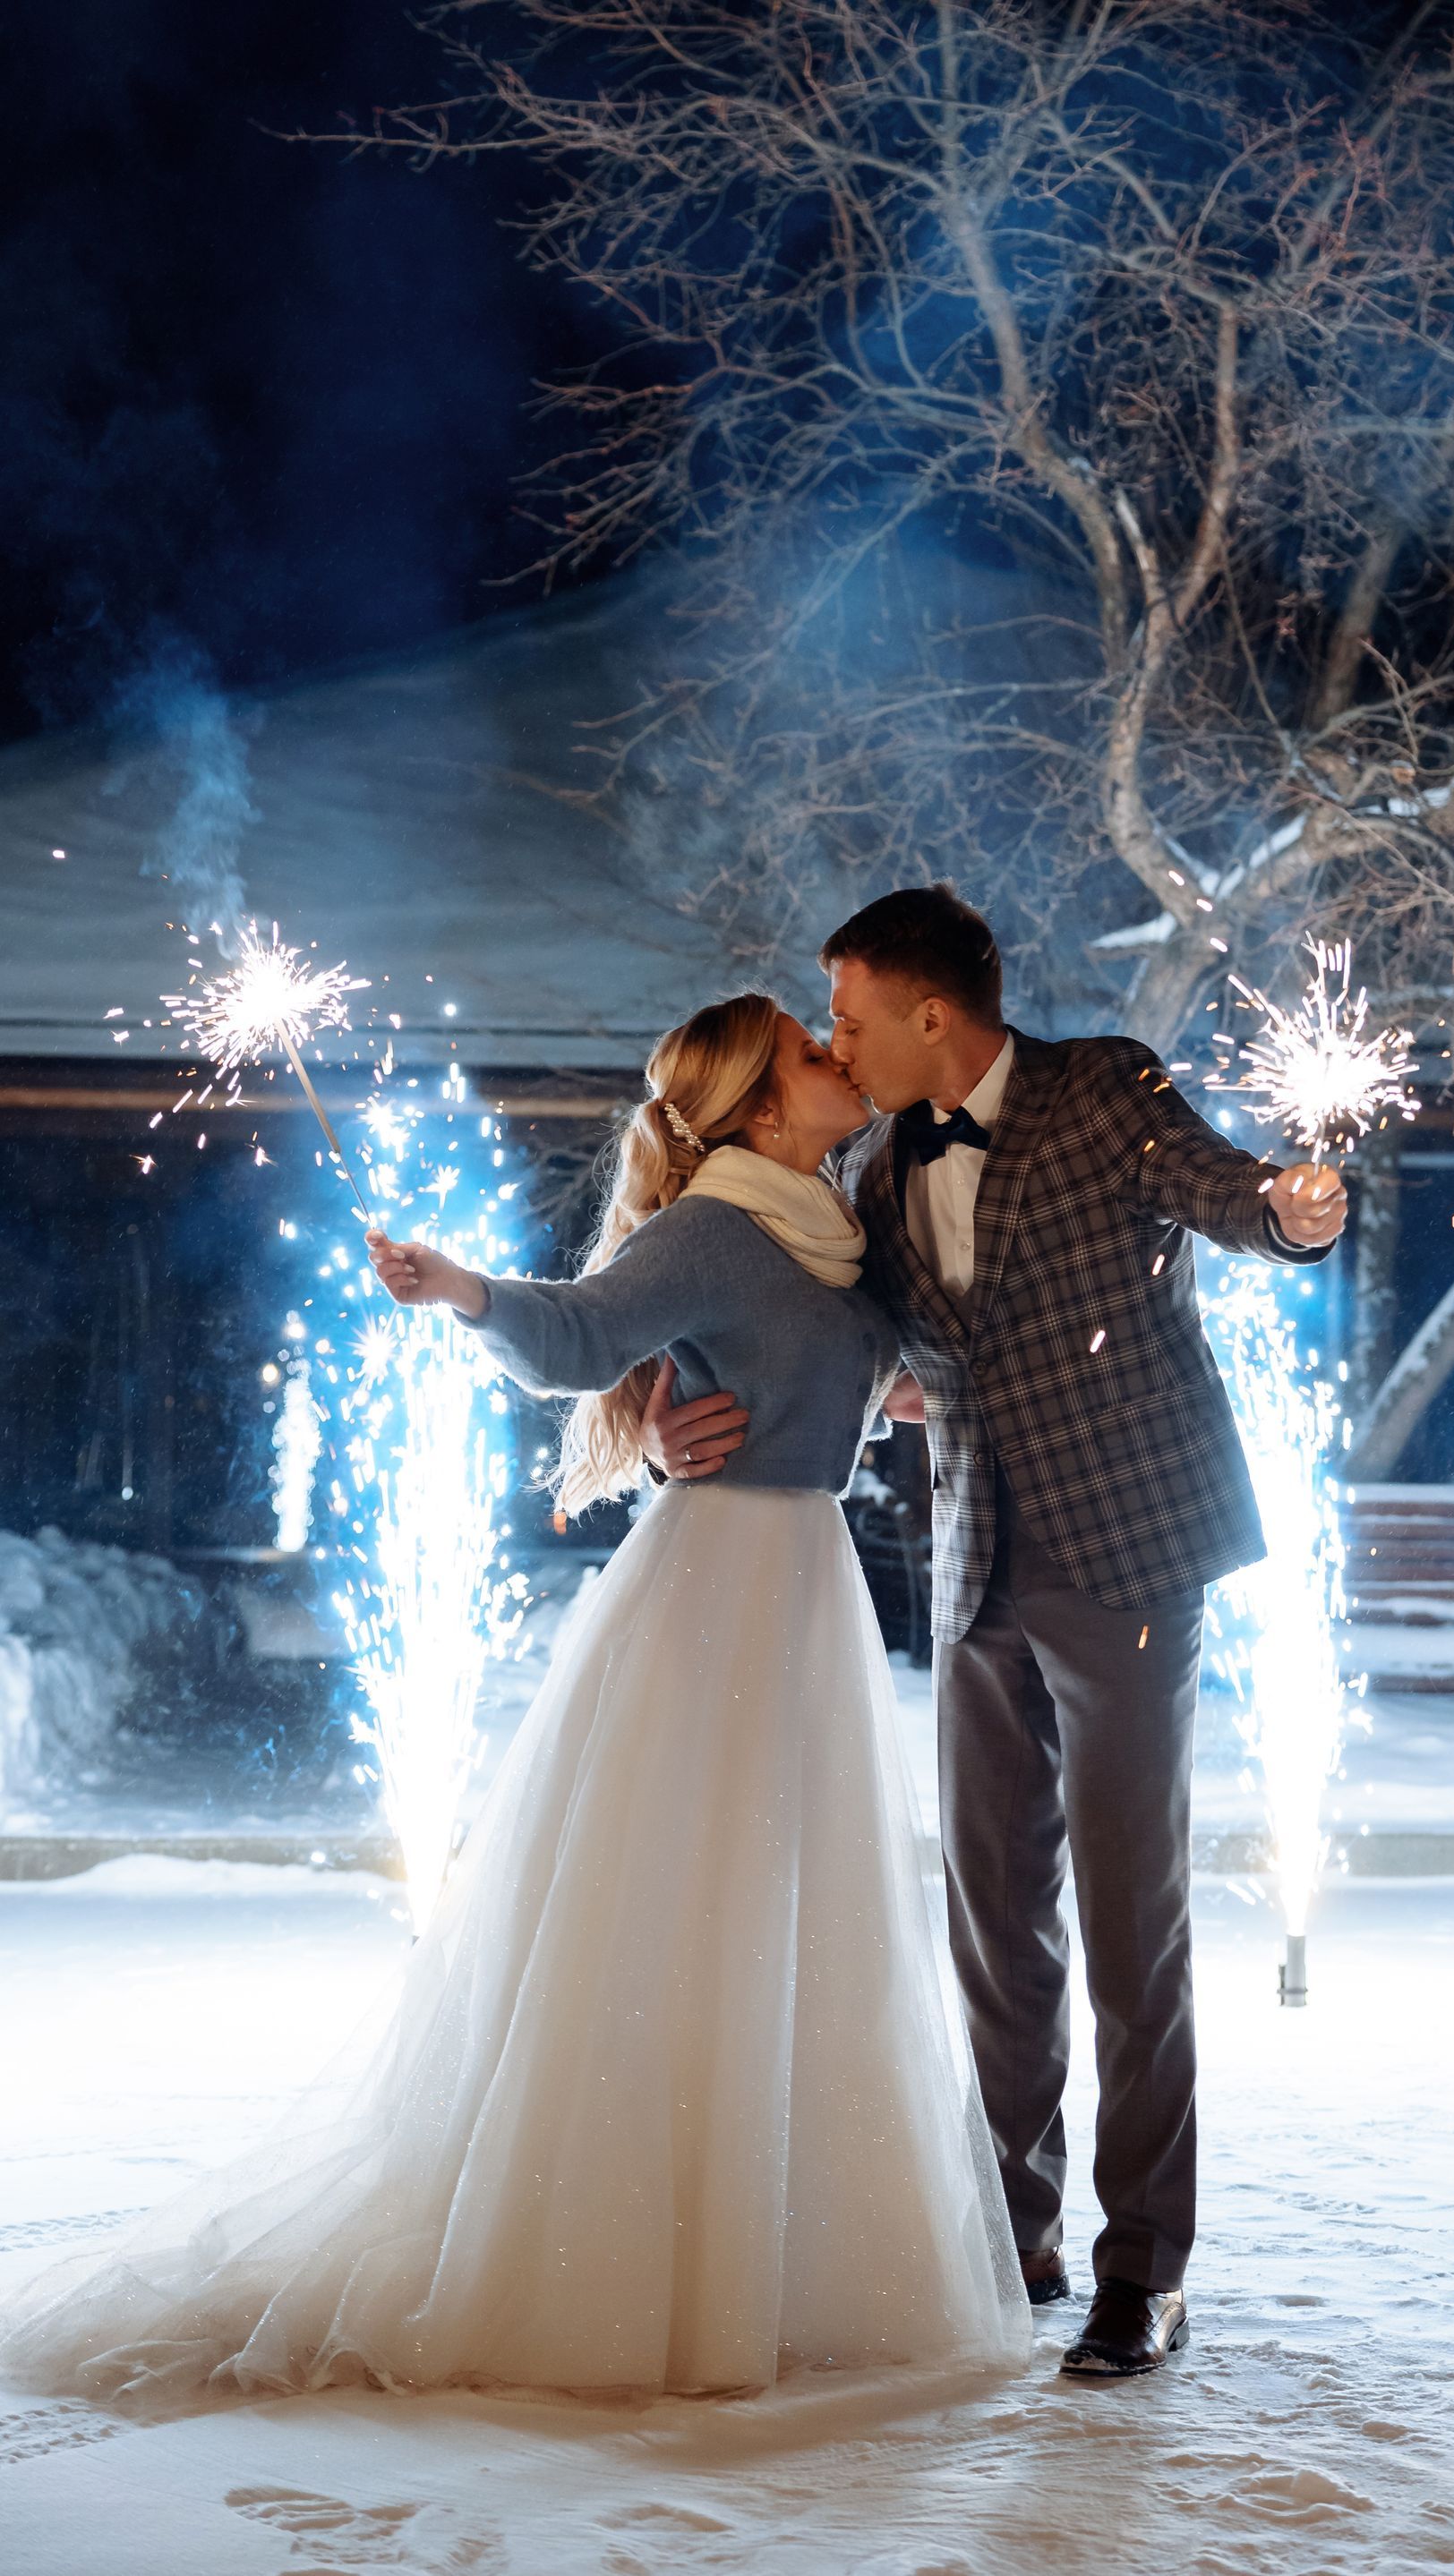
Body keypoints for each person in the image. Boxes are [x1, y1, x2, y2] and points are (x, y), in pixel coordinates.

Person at [0, 993, 1028, 2408]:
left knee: (801, 1914)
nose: (835, 1056)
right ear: (756, 1108)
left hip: (810, 1590)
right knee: (681, 1913)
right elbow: (578, 1334)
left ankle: (787, 2260)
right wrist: (460, 1287)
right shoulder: (720, 1226)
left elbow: (873, 1377)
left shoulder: (836, 1226)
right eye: (808, 1049)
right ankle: (632, 2266)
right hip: (713, 1594)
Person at [644, 889, 1346, 2380]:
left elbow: (1229, 1189)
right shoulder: (882, 1171)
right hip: (973, 1576)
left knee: (1131, 1927)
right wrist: (670, 1419)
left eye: (845, 1016)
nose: (832, 1040)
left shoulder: (1102, 1087)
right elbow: (799, 1336)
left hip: (1130, 1564)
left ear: (931, 1017)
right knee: (994, 1926)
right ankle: (1009, 2229)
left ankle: (1143, 2269)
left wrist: (1296, 1212)